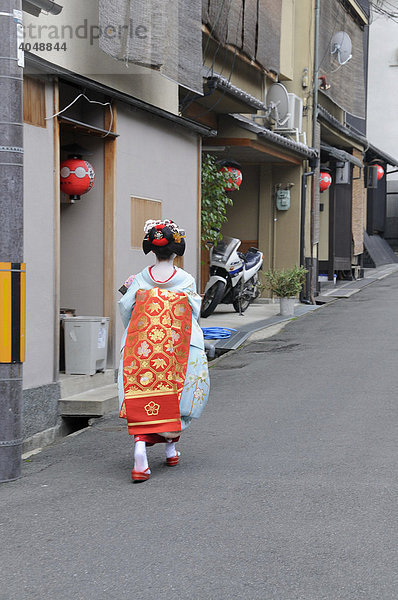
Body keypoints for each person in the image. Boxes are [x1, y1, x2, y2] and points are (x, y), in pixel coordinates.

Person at [118, 219, 209, 482]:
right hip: (176, 348)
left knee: (140, 396)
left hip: (143, 348)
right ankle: (170, 449)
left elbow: (126, 308)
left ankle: (140, 454)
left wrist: (138, 333)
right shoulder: (186, 280)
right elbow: (194, 313)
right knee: (178, 398)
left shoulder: (139, 279)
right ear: (176, 250)